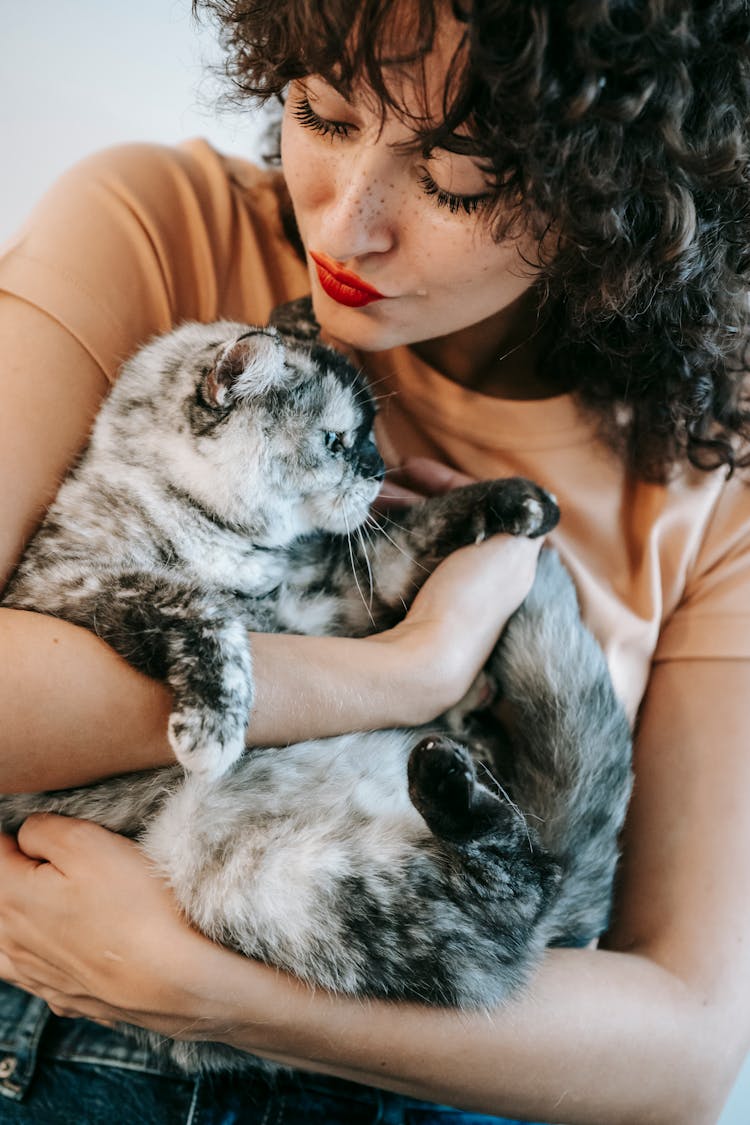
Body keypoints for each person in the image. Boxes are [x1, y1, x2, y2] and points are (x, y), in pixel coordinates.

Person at [0, 1, 749, 1122]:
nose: (347, 228)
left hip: (443, 1044)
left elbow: (687, 1051)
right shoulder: (160, 225)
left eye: (457, 179)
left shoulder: (716, 467)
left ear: (616, 194)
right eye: (322, 113)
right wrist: (414, 669)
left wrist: (213, 990)